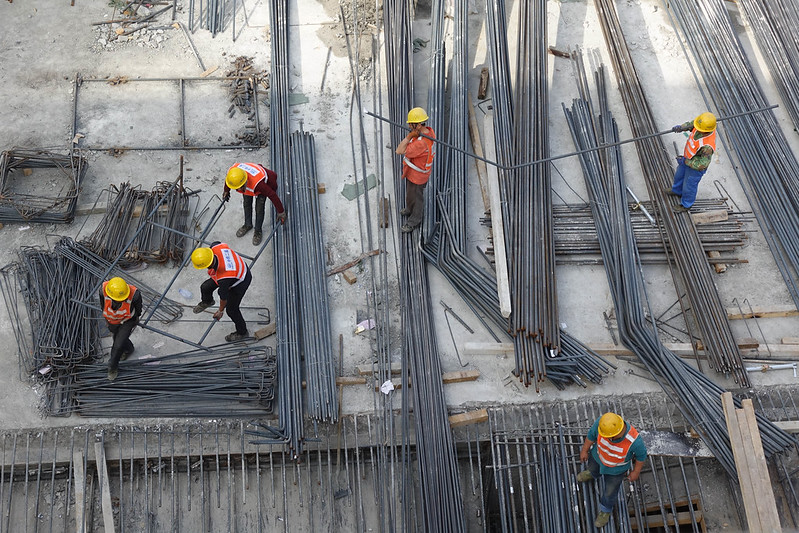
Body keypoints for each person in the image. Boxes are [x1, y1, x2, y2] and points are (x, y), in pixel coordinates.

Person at [578, 412, 647, 528]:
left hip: (615, 471)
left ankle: (605, 511)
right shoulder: (603, 424)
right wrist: (584, 450)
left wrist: (636, 472)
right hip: (597, 457)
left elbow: (641, 456)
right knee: (593, 468)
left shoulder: (634, 441)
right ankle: (592, 474)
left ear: (614, 435)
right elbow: (591, 435)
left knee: (610, 492)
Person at [191, 242, 252, 342]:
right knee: (205, 287)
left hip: (241, 280)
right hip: (233, 270)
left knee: (231, 310)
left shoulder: (224, 278)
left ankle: (242, 332)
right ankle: (208, 301)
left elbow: (223, 297)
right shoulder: (215, 246)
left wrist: (220, 311)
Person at [223, 163, 287, 245]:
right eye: (237, 187)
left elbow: (272, 195)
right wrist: (226, 191)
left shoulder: (260, 184)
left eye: (241, 187)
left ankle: (258, 231)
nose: (239, 189)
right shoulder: (234, 173)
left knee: (259, 209)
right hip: (249, 185)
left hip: (262, 187)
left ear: (245, 180)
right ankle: (247, 225)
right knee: (246, 203)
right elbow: (229, 181)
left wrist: (281, 211)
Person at [395, 107, 436, 233]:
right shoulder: (429, 131)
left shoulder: (421, 144)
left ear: (418, 125)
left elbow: (399, 150)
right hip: (414, 172)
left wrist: (409, 137)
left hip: (418, 176)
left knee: (417, 198)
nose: (408, 124)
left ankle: (414, 221)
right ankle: (409, 209)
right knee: (410, 193)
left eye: (411, 123)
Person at [666, 112, 717, 213]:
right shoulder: (702, 125)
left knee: (689, 186)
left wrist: (686, 162)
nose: (696, 129)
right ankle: (677, 191)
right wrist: (681, 127)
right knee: (679, 176)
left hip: (695, 167)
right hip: (688, 159)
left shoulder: (707, 146)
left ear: (706, 131)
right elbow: (692, 124)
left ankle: (686, 204)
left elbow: (702, 164)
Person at [101, 277, 142, 381]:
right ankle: (129, 349)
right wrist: (107, 319)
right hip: (112, 320)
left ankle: (112, 368)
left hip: (128, 320)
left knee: (117, 345)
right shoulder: (103, 290)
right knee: (118, 337)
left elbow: (138, 310)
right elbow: (103, 305)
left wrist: (134, 320)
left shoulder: (135, 294)